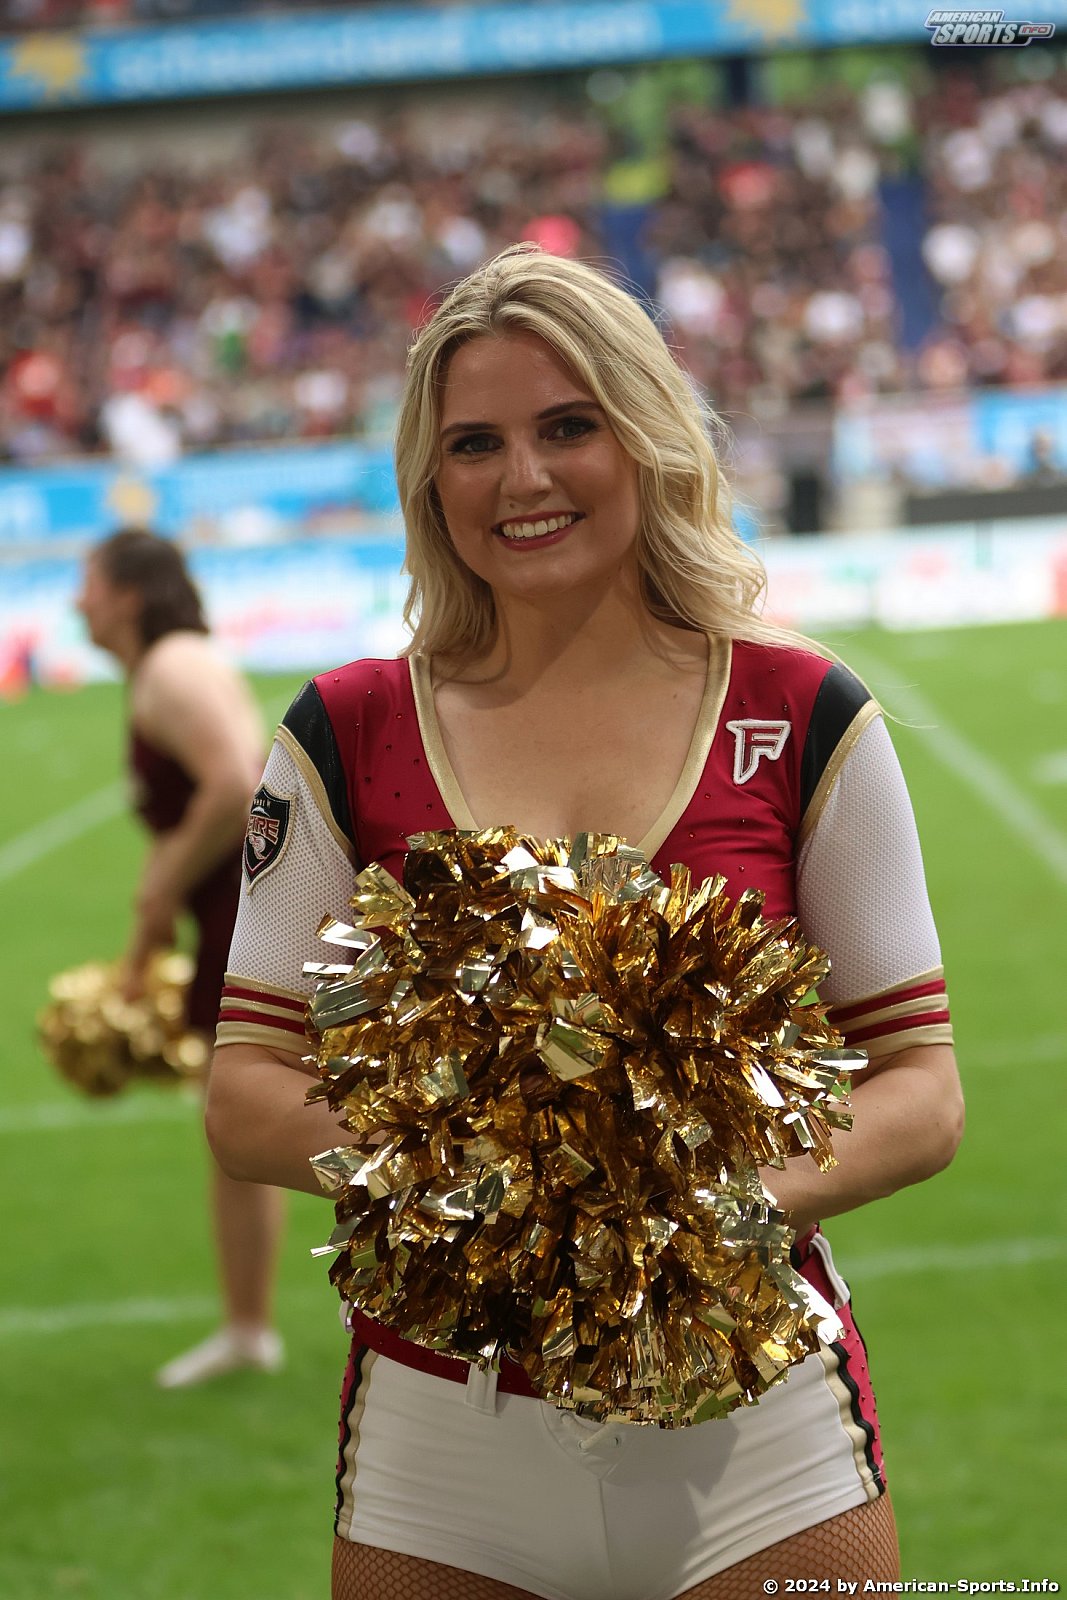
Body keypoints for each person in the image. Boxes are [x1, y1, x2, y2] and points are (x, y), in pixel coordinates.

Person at [206, 245, 964, 1599]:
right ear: (428, 480)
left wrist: (703, 1209)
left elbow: (920, 1087)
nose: (523, 479)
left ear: (645, 436)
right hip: (440, 1446)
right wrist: (489, 1196)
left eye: (568, 426)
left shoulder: (797, 710)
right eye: (474, 444)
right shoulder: (345, 728)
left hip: (757, 1433)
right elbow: (246, 1095)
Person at [76, 527, 286, 1388]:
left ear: (128, 594)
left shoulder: (170, 666)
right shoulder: (173, 665)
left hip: (249, 914)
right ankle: (248, 1327)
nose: (76, 600)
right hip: (235, 911)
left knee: (250, 1126)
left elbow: (236, 783)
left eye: (88, 582)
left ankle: (251, 1328)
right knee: (238, 1132)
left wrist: (157, 889)